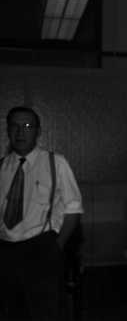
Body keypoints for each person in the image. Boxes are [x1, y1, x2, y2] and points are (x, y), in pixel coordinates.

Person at [0, 106, 84, 320]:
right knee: (11, 310)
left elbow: (73, 209)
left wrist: (56, 247)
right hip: (5, 250)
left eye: (27, 126)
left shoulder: (56, 162)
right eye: (15, 126)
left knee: (45, 311)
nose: (20, 132)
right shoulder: (2, 167)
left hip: (41, 248)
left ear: (38, 131)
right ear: (7, 130)